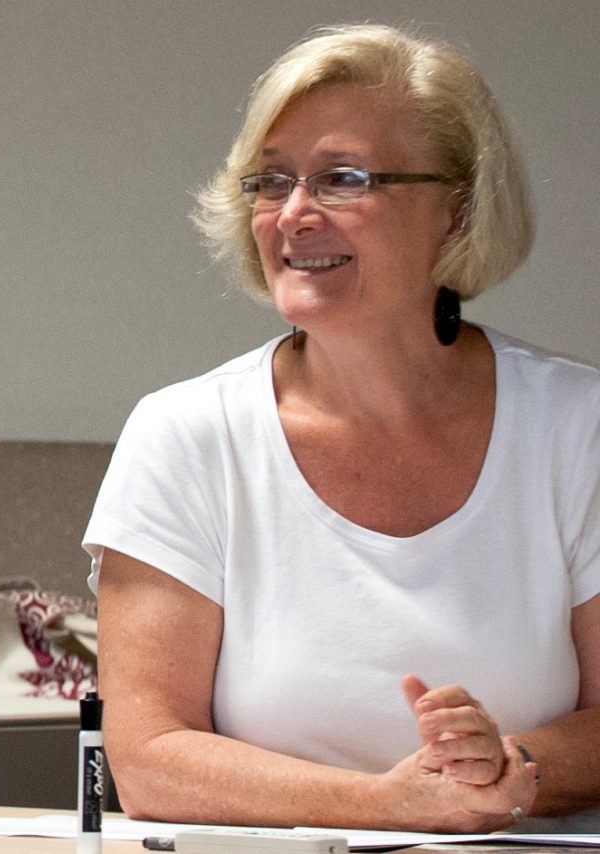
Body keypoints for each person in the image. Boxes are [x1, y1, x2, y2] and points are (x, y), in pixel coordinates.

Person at [83, 24, 600, 832]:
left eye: (343, 179)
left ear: (457, 212)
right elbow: (149, 754)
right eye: (270, 181)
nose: (293, 215)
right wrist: (386, 805)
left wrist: (511, 767)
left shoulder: (580, 427)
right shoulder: (185, 435)